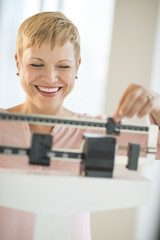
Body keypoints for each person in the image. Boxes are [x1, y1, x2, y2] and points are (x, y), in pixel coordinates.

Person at [0, 11, 159, 240]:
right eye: (36, 64)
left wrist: (156, 104)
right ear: (18, 62)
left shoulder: (95, 129)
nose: (50, 77)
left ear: (77, 67)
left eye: (63, 66)